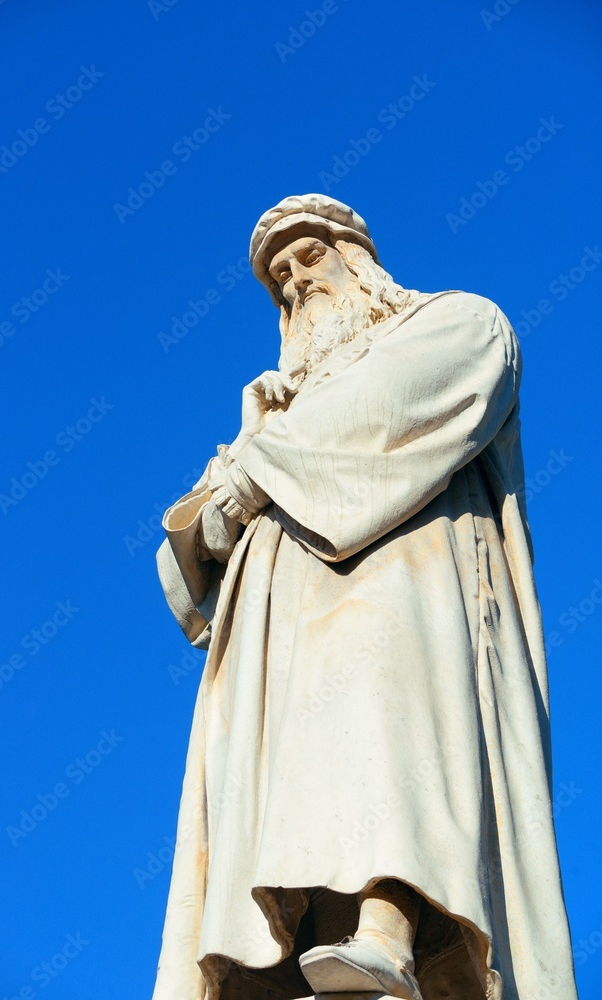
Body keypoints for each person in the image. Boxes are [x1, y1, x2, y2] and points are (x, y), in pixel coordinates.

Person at [153, 194, 578, 1000]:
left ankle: (390, 928)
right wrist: (245, 460)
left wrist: (259, 464)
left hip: (404, 579)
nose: (295, 282)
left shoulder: (453, 322)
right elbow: (195, 546)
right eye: (279, 277)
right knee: (285, 786)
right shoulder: (271, 415)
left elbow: (383, 411)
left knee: (391, 739)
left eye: (309, 256)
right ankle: (295, 958)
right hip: (283, 625)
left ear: (356, 256)